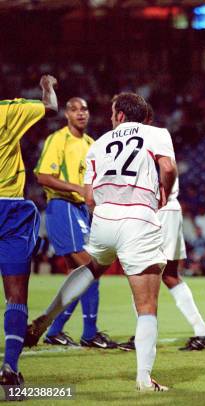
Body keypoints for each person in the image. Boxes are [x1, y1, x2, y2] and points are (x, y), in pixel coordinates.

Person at [26, 93, 177, 392]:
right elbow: (169, 168)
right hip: (138, 218)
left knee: (93, 267)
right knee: (147, 305)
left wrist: (102, 214)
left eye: (111, 112)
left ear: (120, 115)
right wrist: (162, 192)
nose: (110, 117)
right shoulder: (157, 133)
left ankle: (49, 315)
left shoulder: (99, 143)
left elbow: (90, 194)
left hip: (104, 218)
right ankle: (144, 379)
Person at [118, 103, 205, 352]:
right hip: (170, 210)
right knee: (170, 275)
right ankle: (203, 332)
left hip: (154, 211)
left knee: (140, 272)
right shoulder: (160, 136)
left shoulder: (132, 141)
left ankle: (143, 335)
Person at [34, 97, 117, 349]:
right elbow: (42, 176)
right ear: (66, 115)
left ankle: (54, 331)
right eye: (74, 109)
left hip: (81, 210)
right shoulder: (58, 139)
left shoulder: (92, 143)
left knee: (79, 276)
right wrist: (76, 188)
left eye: (84, 109)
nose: (80, 113)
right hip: (63, 207)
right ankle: (89, 333)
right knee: (91, 271)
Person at [0, 75, 58, 395]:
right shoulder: (8, 111)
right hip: (9, 210)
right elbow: (50, 107)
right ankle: (10, 367)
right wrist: (47, 86)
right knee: (16, 293)